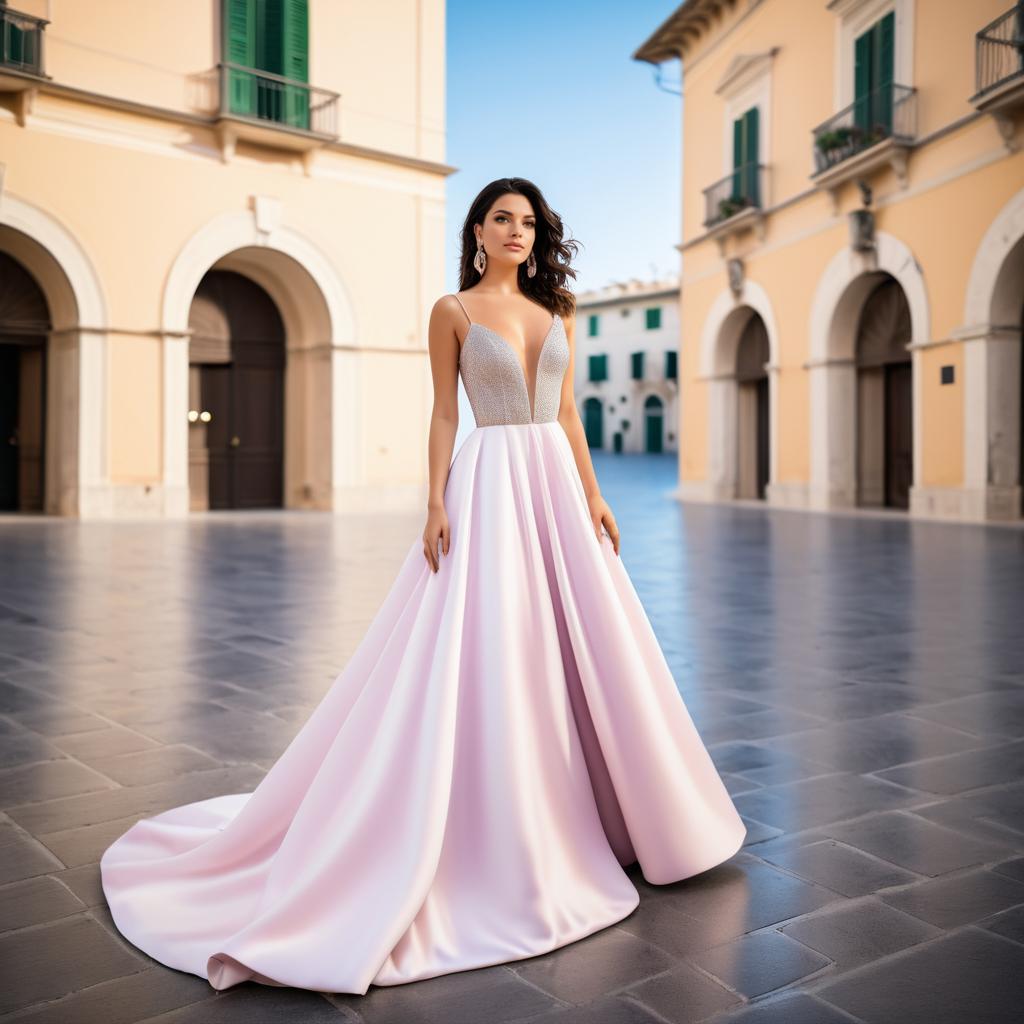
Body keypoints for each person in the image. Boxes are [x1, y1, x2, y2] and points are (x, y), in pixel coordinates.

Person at [100, 177, 747, 996]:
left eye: (529, 222)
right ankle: (501, 817)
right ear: (477, 231)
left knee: (588, 645)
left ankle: (616, 812)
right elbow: (446, 412)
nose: (518, 231)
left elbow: (572, 415)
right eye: (503, 220)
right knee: (493, 644)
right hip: (490, 482)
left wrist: (594, 493)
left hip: (552, 481)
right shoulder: (455, 310)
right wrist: (434, 499)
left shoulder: (559, 313)